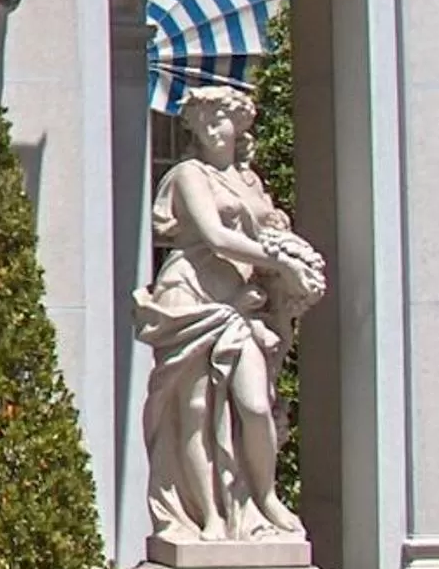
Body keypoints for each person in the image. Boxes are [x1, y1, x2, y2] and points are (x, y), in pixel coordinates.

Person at [134, 84, 326, 544]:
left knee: (256, 406)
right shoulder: (187, 175)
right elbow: (216, 238)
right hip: (191, 296)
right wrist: (278, 260)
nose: (224, 130)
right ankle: (209, 516)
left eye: (232, 122)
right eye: (216, 120)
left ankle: (262, 497)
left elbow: (273, 228)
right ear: (198, 126)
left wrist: (290, 257)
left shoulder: (249, 183)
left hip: (240, 303)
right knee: (195, 410)